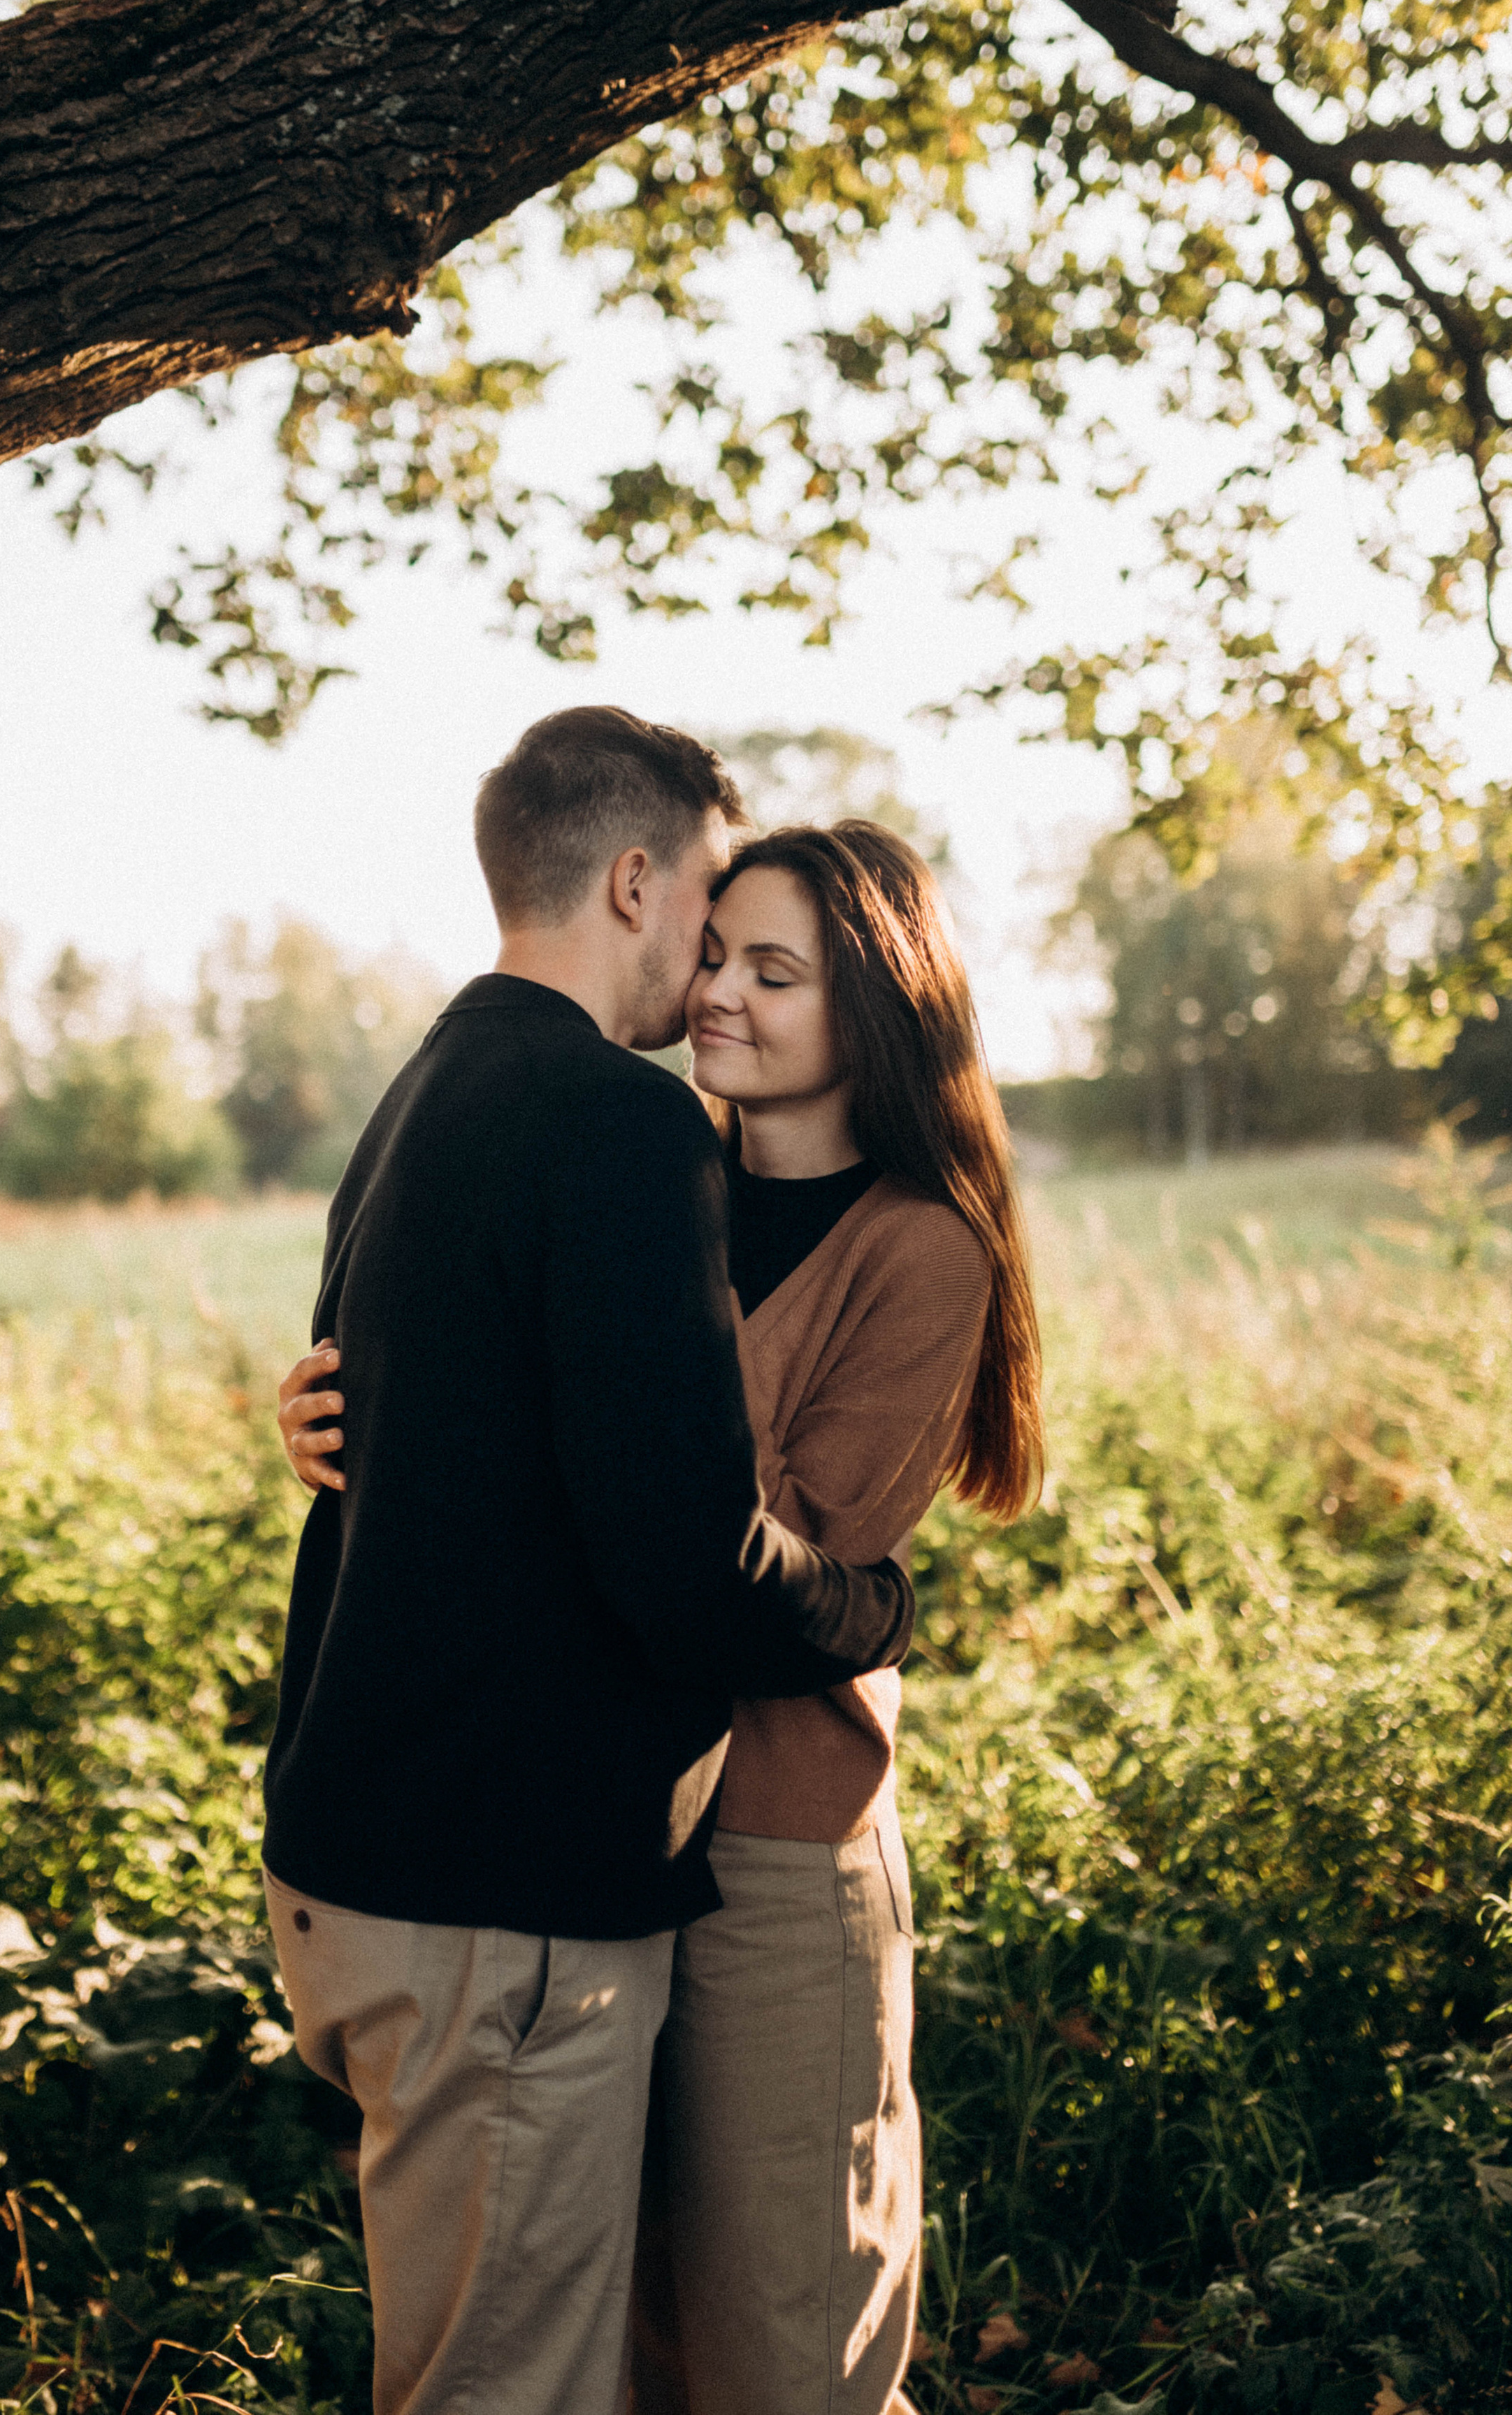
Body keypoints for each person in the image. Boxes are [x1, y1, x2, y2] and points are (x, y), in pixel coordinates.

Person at [285, 815, 1042, 2415]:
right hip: (603, 1836)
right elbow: (555, 1429)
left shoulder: (918, 1248)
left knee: (784, 2334)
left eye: (776, 972)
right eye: (714, 954)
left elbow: (783, 1545)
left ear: (878, 1007)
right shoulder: (645, 1171)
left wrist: (531, 1418)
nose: (720, 995)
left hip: (772, 1841)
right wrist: (379, 1407)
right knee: (626, 2327)